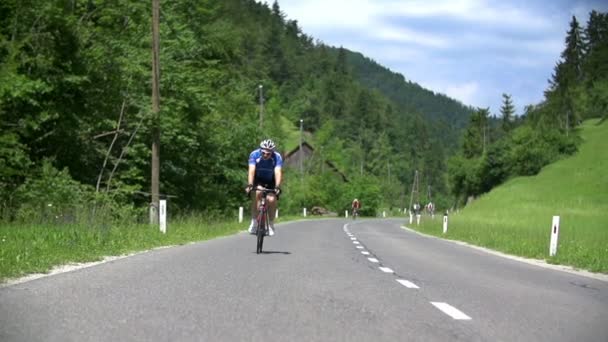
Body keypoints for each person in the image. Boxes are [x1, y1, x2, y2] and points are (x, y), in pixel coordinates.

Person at [245, 139, 282, 236]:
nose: (265, 155)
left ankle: (270, 224)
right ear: (260, 150)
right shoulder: (254, 154)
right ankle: (254, 222)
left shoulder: (277, 157)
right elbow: (251, 170)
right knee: (258, 193)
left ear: (272, 153)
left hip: (271, 180)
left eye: (268, 154)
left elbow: (278, 172)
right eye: (263, 153)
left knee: (272, 200)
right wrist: (249, 184)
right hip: (258, 179)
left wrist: (277, 186)